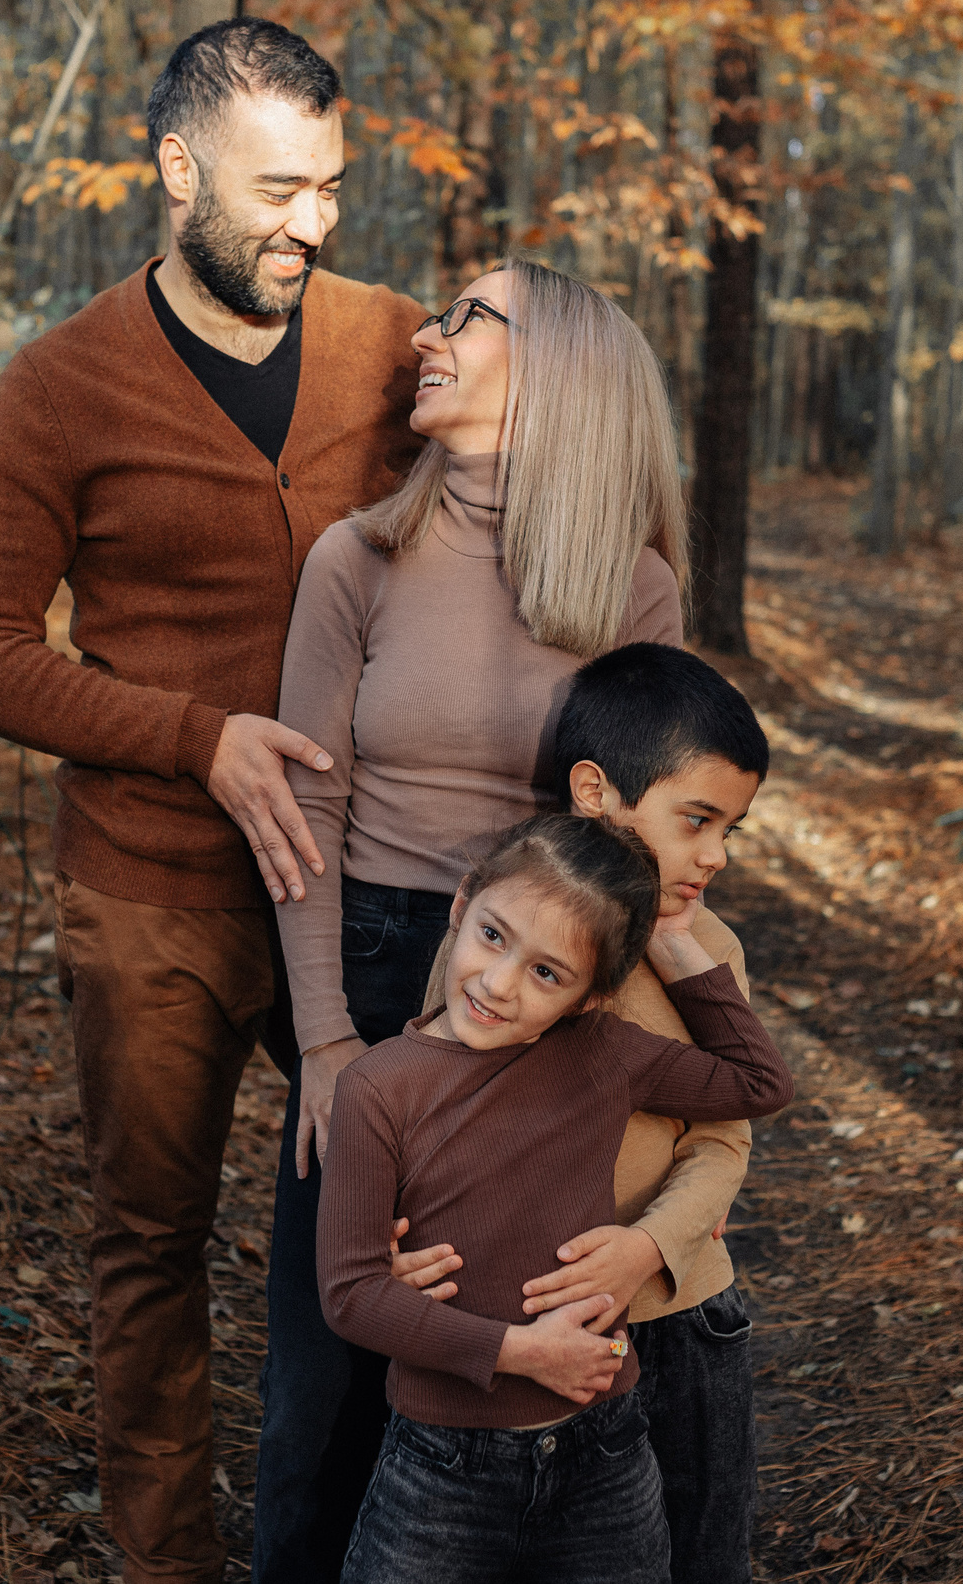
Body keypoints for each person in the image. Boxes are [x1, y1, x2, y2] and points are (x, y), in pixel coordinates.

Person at [0, 17, 425, 1583]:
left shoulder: (392, 342)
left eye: (332, 187)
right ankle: (167, 1563)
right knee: (149, 1246)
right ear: (176, 170)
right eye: (280, 188)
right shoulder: (60, 386)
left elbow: (516, 506)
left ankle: (385, 1536)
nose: (312, 223)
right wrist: (198, 733)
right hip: (156, 895)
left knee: (399, 1215)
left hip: (370, 886)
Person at [255, 259, 691, 1579]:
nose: (425, 335)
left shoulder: (631, 589)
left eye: (466, 317)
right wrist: (330, 1040)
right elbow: (302, 820)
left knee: (530, 1348)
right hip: (380, 963)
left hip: (553, 985)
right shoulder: (359, 555)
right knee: (332, 1362)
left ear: (552, 369)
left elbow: (646, 846)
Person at [315, 814, 795, 1584]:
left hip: (604, 1448)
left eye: (548, 973)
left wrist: (673, 941)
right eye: (493, 935)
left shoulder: (603, 1054)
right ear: (463, 902)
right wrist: (521, 1353)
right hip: (439, 1463)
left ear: (591, 997)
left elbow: (759, 1082)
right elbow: (351, 1294)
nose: (497, 983)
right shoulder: (377, 1087)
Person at [408, 642, 773, 1583]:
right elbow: (430, 1096)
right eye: (697, 819)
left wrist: (649, 1244)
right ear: (595, 791)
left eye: (731, 826)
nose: (717, 852)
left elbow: (728, 1135)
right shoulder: (499, 930)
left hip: (679, 1312)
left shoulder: (712, 944)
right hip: (531, 1319)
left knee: (699, 1552)